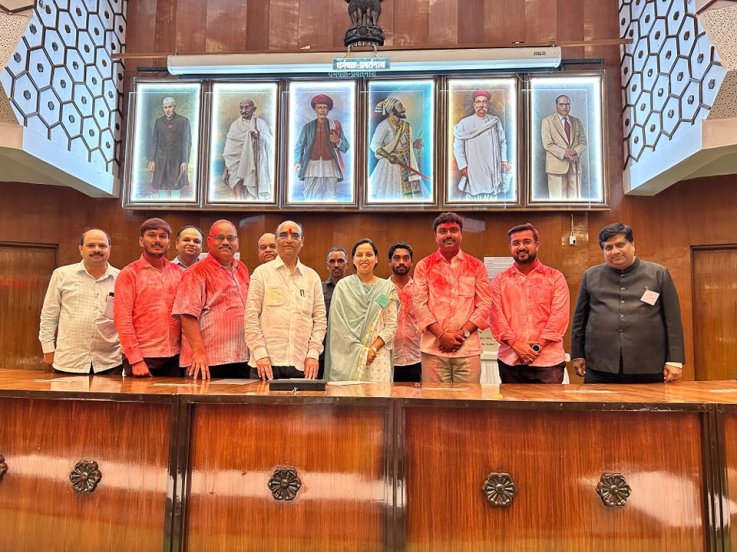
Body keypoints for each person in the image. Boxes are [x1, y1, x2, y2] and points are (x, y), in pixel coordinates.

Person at [571, 223, 685, 384]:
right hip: (600, 365)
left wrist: (675, 360)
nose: (615, 251)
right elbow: (579, 321)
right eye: (608, 247)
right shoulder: (590, 276)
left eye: (620, 245)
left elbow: (673, 321)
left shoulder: (658, 274)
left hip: (649, 364)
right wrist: (577, 354)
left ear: (632, 245)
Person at [413, 212, 493, 383]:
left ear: (461, 234)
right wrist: (441, 335)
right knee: (434, 405)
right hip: (433, 349)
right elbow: (419, 304)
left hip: (467, 348)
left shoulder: (476, 266)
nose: (448, 235)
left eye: (453, 230)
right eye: (443, 231)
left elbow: (485, 304)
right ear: (435, 236)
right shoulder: (423, 266)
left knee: (468, 402)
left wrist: (461, 334)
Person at [245, 221, 327, 380]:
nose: (289, 239)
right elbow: (250, 318)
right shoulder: (261, 274)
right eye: (283, 235)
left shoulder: (312, 277)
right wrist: (260, 354)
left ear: (302, 241)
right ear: (276, 241)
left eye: (295, 235)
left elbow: (320, 320)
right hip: (265, 364)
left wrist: (313, 354)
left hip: (303, 363)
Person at [490, 223, 569, 383]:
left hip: (548, 361)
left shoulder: (555, 277)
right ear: (510, 247)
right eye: (516, 243)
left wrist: (535, 347)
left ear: (536, 245)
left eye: (526, 242)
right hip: (510, 360)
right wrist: (516, 345)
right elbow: (496, 318)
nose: (521, 247)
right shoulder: (499, 281)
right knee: (512, 408)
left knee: (548, 408)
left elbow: (558, 317)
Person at [172, 219, 250, 379]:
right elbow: (186, 316)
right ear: (209, 241)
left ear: (238, 241)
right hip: (206, 361)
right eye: (220, 238)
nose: (226, 242)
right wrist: (199, 353)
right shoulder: (196, 272)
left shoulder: (242, 268)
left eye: (231, 238)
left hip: (241, 357)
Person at [39, 228, 121, 374]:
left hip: (110, 362)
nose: (97, 249)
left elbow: (126, 319)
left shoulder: (121, 278)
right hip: (69, 361)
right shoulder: (62, 274)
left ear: (109, 249)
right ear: (81, 249)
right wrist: (48, 349)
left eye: (102, 246)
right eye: (91, 245)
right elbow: (49, 315)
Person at [114, 218, 183, 377]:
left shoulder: (179, 273)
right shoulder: (129, 274)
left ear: (169, 242)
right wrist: (135, 359)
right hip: (143, 357)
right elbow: (122, 319)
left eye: (162, 236)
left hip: (175, 357)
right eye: (152, 235)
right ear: (141, 240)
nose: (157, 240)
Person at [325, 239, 398, 382]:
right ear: (353, 260)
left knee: (378, 400)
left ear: (376, 259)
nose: (364, 259)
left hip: (377, 358)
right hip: (348, 356)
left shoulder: (385, 289)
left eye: (369, 254)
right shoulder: (343, 287)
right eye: (359, 255)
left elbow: (390, 324)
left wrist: (372, 350)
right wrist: (360, 352)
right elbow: (338, 327)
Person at [453, 89, 511, 200]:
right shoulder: (464, 123)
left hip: (492, 166)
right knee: (473, 195)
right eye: (478, 102)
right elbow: (458, 146)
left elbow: (502, 141)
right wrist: (463, 165)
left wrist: (503, 160)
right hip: (473, 166)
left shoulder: (494, 121)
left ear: (488, 104)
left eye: (484, 102)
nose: (481, 105)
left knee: (492, 196)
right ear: (474, 104)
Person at [294, 94, 350, 201]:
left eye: (325, 108)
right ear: (315, 110)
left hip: (330, 165)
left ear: (328, 110)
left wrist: (338, 140)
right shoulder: (307, 127)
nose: (322, 110)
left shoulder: (335, 126)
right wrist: (297, 162)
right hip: (311, 165)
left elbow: (346, 147)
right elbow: (299, 146)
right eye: (319, 108)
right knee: (310, 195)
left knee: (330, 196)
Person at [369, 97, 425, 200]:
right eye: (400, 107)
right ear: (391, 111)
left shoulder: (406, 125)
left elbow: (403, 144)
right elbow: (374, 145)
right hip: (391, 163)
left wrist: (414, 144)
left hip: (407, 162)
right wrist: (389, 156)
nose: (403, 109)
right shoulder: (384, 125)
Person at [222, 97, 274, 200]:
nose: (243, 110)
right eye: (241, 108)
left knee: (250, 186)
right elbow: (229, 147)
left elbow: (270, 141)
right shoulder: (235, 125)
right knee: (237, 184)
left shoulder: (261, 123)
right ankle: (239, 205)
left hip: (253, 162)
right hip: (235, 161)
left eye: (246, 107)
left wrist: (259, 136)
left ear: (254, 109)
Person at [541, 94, 587, 199]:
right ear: (556, 105)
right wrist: (566, 153)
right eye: (562, 104)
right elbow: (547, 144)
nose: (565, 107)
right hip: (556, 168)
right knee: (558, 202)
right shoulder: (547, 121)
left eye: (567, 104)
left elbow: (583, 142)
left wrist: (575, 151)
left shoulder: (576, 121)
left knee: (576, 201)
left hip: (575, 167)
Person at [388, 241, 422, 383]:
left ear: (411, 261)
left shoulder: (420, 290)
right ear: (390, 262)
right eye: (397, 258)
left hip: (417, 358)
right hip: (390, 359)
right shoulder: (384, 291)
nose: (401, 262)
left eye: (405, 258)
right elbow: (378, 319)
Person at [147, 97, 191, 198]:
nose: (167, 110)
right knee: (161, 188)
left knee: (176, 188)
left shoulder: (183, 121)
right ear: (163, 108)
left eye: (170, 107)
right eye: (165, 107)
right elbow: (154, 142)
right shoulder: (158, 122)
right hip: (160, 160)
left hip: (177, 161)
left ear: (174, 107)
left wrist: (185, 161)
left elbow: (187, 143)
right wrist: (152, 160)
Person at [318, 246, 348, 379]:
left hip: (347, 350)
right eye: (332, 261)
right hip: (323, 351)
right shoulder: (319, 289)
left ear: (346, 264)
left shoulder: (355, 288)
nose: (336, 265)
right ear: (327, 265)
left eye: (340, 261)